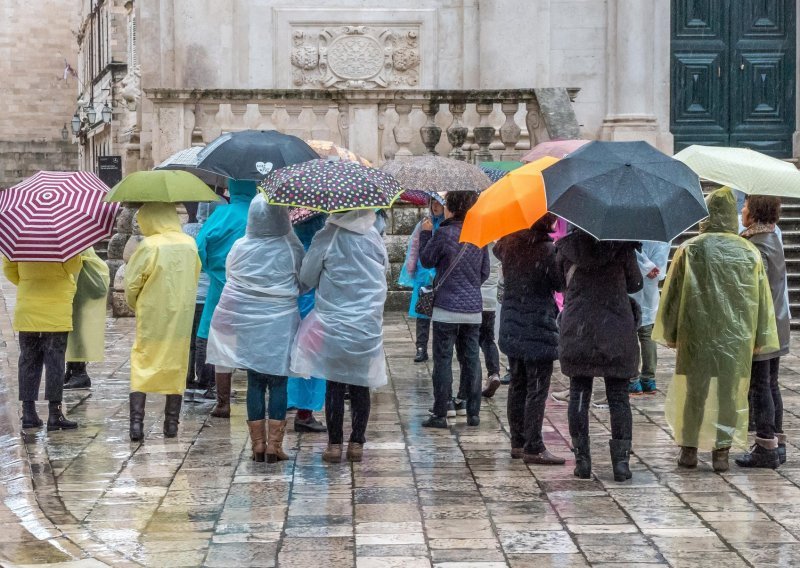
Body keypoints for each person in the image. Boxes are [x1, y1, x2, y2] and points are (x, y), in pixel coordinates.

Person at [654, 187, 778, 473]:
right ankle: (721, 452)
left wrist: (671, 332)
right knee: (728, 395)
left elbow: (672, 294)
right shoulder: (748, 251)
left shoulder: (691, 249)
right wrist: (760, 337)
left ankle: (689, 450)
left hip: (696, 335)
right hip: (735, 339)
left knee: (693, 395)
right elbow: (761, 300)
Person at [206, 196, 304, 462]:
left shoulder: (240, 246)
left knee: (255, 380)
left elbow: (231, 278)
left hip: (248, 322)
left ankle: (257, 444)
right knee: (279, 379)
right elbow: (303, 280)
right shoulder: (290, 246)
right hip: (281, 323)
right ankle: (275, 445)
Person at [290, 209, 388, 463]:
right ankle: (357, 443)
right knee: (361, 384)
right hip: (367, 323)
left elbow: (307, 277)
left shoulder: (328, 235)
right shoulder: (374, 236)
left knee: (334, 383)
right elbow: (383, 271)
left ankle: (334, 445)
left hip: (334, 322)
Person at [556, 228, 643, 482]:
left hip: (579, 328)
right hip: (615, 328)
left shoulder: (567, 249)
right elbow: (636, 283)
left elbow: (560, 283)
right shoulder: (622, 246)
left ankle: (582, 461)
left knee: (579, 394)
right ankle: (621, 463)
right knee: (618, 397)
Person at [125, 202, 201, 442]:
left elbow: (132, 283)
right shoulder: (189, 244)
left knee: (144, 361)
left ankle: (137, 425)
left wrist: (135, 303)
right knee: (176, 363)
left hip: (152, 314)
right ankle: (171, 425)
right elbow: (196, 274)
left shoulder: (149, 245)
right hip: (181, 314)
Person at [495, 213, 565, 464]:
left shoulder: (509, 245)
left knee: (518, 384)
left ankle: (518, 441)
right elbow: (559, 284)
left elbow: (497, 250)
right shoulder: (547, 250)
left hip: (513, 323)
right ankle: (534, 446)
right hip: (538, 326)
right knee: (537, 389)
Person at [418, 191, 490, 428]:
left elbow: (427, 261)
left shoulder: (443, 233)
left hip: (446, 308)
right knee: (471, 359)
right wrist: (468, 288)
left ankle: (441, 412)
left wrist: (426, 234)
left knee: (443, 360)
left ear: (451, 208)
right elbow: (484, 272)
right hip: (472, 310)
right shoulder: (479, 235)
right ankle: (473, 412)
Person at [735, 195, 790, 469]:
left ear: (754, 212)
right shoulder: (772, 238)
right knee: (770, 384)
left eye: (745, 206)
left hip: (762, 328)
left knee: (761, 386)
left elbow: (756, 292)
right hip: (777, 324)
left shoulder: (755, 245)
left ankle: (766, 445)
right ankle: (777, 444)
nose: (741, 210)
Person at [196, 180, 258, 417]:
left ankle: (222, 401)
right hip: (254, 289)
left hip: (222, 286)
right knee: (254, 344)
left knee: (221, 342)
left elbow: (199, 246)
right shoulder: (262, 213)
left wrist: (211, 268)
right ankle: (257, 397)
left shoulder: (222, 213)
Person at [3, 254, 83, 431]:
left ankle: (29, 413)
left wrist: (28, 283)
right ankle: (55, 414)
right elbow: (73, 267)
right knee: (55, 363)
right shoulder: (64, 239)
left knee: (28, 361)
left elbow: (9, 269)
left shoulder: (22, 240)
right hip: (55, 310)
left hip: (28, 309)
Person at [287, 213, 329, 433]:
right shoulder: (318, 248)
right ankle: (305, 413)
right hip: (313, 309)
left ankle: (288, 401)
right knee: (310, 361)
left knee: (291, 356)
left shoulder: (290, 245)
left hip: (289, 309)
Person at [398, 194, 445, 363]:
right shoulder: (424, 224)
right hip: (424, 274)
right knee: (423, 313)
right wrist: (411, 269)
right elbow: (414, 248)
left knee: (441, 314)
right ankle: (421, 348)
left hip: (440, 275)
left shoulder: (446, 225)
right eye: (433, 203)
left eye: (439, 203)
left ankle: (441, 348)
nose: (435, 206)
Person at [181, 202, 216, 400]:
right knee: (204, 338)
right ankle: (205, 378)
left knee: (190, 338)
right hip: (207, 291)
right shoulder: (215, 230)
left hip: (189, 291)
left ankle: (187, 376)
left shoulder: (186, 231)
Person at [63, 248, 110, 390]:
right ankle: (72, 369)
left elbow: (74, 266)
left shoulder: (75, 241)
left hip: (80, 286)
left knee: (76, 330)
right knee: (74, 330)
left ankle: (79, 372)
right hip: (78, 287)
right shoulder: (77, 237)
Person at [628, 241, 671, 395]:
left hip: (633, 286)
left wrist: (646, 266)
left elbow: (631, 253)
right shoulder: (661, 238)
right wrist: (652, 268)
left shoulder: (631, 230)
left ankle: (633, 379)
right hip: (649, 288)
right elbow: (659, 268)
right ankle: (648, 379)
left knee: (631, 335)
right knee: (647, 334)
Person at [478, 243, 502, 397]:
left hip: (473, 298)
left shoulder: (474, 244)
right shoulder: (498, 246)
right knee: (488, 339)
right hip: (491, 300)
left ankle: (473, 379)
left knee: (470, 342)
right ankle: (494, 373)